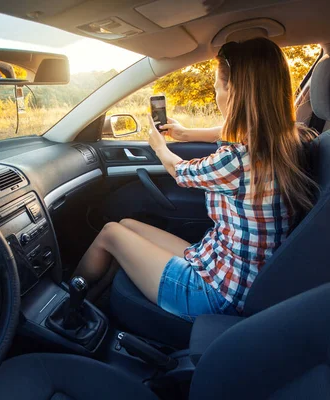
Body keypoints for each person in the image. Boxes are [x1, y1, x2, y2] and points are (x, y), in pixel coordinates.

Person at [75, 37, 316, 320]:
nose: (216, 94)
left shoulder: (237, 161)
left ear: (234, 92)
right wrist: (187, 134)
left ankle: (68, 299)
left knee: (110, 234)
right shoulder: (292, 139)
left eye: (217, 87)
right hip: (230, 271)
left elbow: (180, 172)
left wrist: (159, 146)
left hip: (216, 295)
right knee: (127, 224)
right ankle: (96, 298)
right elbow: (241, 128)